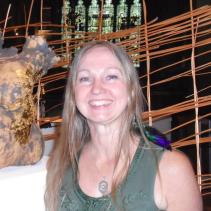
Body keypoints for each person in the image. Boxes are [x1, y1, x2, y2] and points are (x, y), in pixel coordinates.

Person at [45, 41, 202, 211]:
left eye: (111, 76)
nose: (97, 89)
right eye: (85, 78)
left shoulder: (170, 168)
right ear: (73, 95)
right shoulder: (62, 163)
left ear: (131, 90)